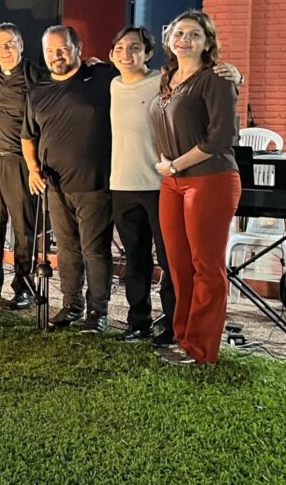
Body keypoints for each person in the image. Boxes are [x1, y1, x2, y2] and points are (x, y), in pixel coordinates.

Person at [151, 11, 241, 365]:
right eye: (179, 33)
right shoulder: (168, 77)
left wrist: (175, 164)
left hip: (210, 179)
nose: (185, 40)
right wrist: (168, 166)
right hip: (172, 183)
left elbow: (221, 137)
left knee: (206, 266)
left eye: (194, 35)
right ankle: (183, 338)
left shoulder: (216, 78)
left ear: (207, 43)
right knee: (178, 266)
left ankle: (201, 350)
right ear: (169, 39)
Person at [22, 25, 119, 333]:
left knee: (95, 251)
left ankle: (98, 312)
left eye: (62, 49)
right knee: (66, 249)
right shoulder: (38, 91)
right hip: (55, 187)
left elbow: (142, 77)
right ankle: (71, 305)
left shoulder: (102, 77)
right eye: (50, 51)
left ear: (78, 48)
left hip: (96, 184)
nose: (56, 56)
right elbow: (28, 136)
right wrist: (33, 169)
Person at [109, 26, 175, 344]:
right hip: (122, 184)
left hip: (160, 185)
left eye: (134, 47)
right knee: (135, 259)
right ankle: (139, 322)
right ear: (112, 54)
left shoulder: (163, 82)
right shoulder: (112, 84)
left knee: (169, 258)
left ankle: (174, 324)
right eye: (120, 48)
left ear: (148, 53)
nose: (127, 54)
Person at [0, 23, 47, 309]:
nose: (3, 50)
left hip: (19, 161)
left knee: (23, 227)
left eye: (9, 44)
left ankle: (23, 287)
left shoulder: (36, 77)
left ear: (21, 45)